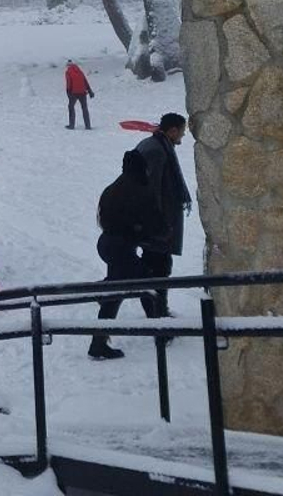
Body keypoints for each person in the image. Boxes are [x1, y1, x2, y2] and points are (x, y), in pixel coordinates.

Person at [89, 149, 164, 360]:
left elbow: (104, 218)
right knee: (140, 287)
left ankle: (102, 291)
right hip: (122, 248)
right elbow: (155, 223)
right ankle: (159, 331)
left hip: (108, 244)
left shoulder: (112, 188)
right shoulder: (140, 190)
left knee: (130, 287)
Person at [135, 113, 191, 319]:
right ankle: (157, 314)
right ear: (173, 130)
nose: (183, 136)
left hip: (155, 224)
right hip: (156, 226)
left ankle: (158, 310)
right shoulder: (157, 151)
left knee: (155, 266)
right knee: (158, 268)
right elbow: (151, 190)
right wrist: (158, 225)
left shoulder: (157, 145)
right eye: (182, 132)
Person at [65, 60, 94, 130]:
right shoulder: (80, 71)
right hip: (83, 92)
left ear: (68, 66)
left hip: (74, 93)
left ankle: (71, 125)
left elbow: (69, 83)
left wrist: (68, 92)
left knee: (71, 107)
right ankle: (88, 126)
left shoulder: (68, 72)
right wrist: (90, 91)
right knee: (84, 108)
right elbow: (85, 81)